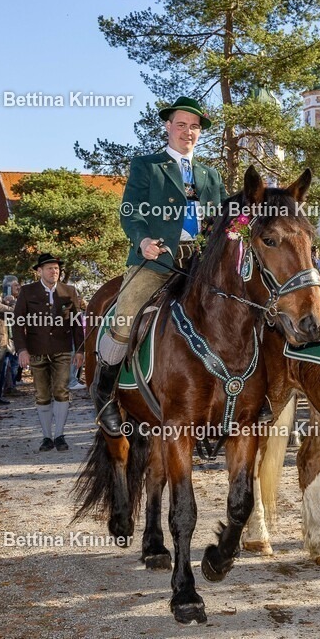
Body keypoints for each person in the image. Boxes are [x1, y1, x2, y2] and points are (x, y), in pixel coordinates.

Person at [94, 97, 224, 437]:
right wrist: (143, 241)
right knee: (126, 315)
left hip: (201, 264)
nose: (188, 132)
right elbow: (130, 211)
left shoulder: (210, 175)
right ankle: (105, 397)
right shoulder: (147, 166)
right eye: (181, 125)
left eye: (194, 126)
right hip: (158, 260)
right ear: (168, 127)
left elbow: (224, 219)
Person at [13, 254, 86, 452]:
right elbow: (18, 323)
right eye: (49, 269)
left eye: (56, 268)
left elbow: (77, 323)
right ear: (39, 272)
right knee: (42, 394)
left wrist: (80, 351)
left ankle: (60, 435)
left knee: (62, 391)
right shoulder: (28, 291)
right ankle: (47, 437)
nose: (54, 272)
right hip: (36, 351)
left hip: (63, 350)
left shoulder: (69, 291)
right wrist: (22, 349)